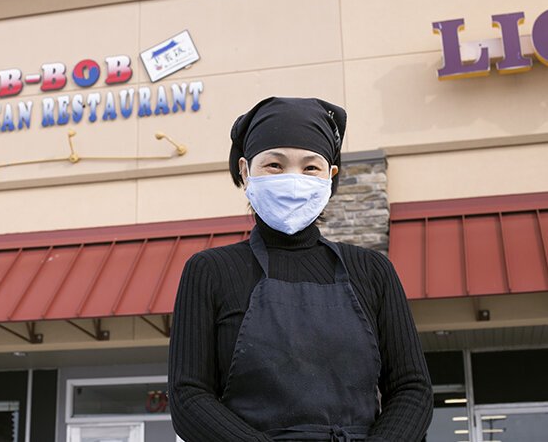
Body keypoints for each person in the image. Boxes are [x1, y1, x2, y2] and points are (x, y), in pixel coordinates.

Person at [168, 97, 433, 441]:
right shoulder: (210, 271)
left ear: (330, 176)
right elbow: (188, 396)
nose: (293, 180)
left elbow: (412, 390)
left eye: (310, 168)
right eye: (275, 165)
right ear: (246, 172)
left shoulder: (372, 271)